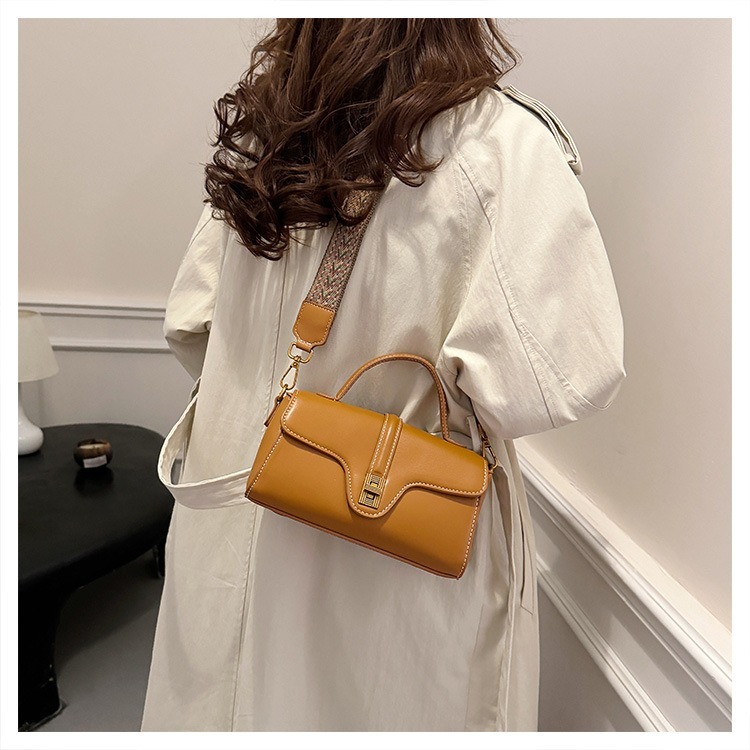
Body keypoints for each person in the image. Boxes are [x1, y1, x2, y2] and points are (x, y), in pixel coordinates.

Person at [141, 19, 626, 732]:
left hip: (226, 511)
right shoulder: (496, 146)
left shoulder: (264, 133)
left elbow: (191, 323)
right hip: (392, 560)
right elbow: (563, 375)